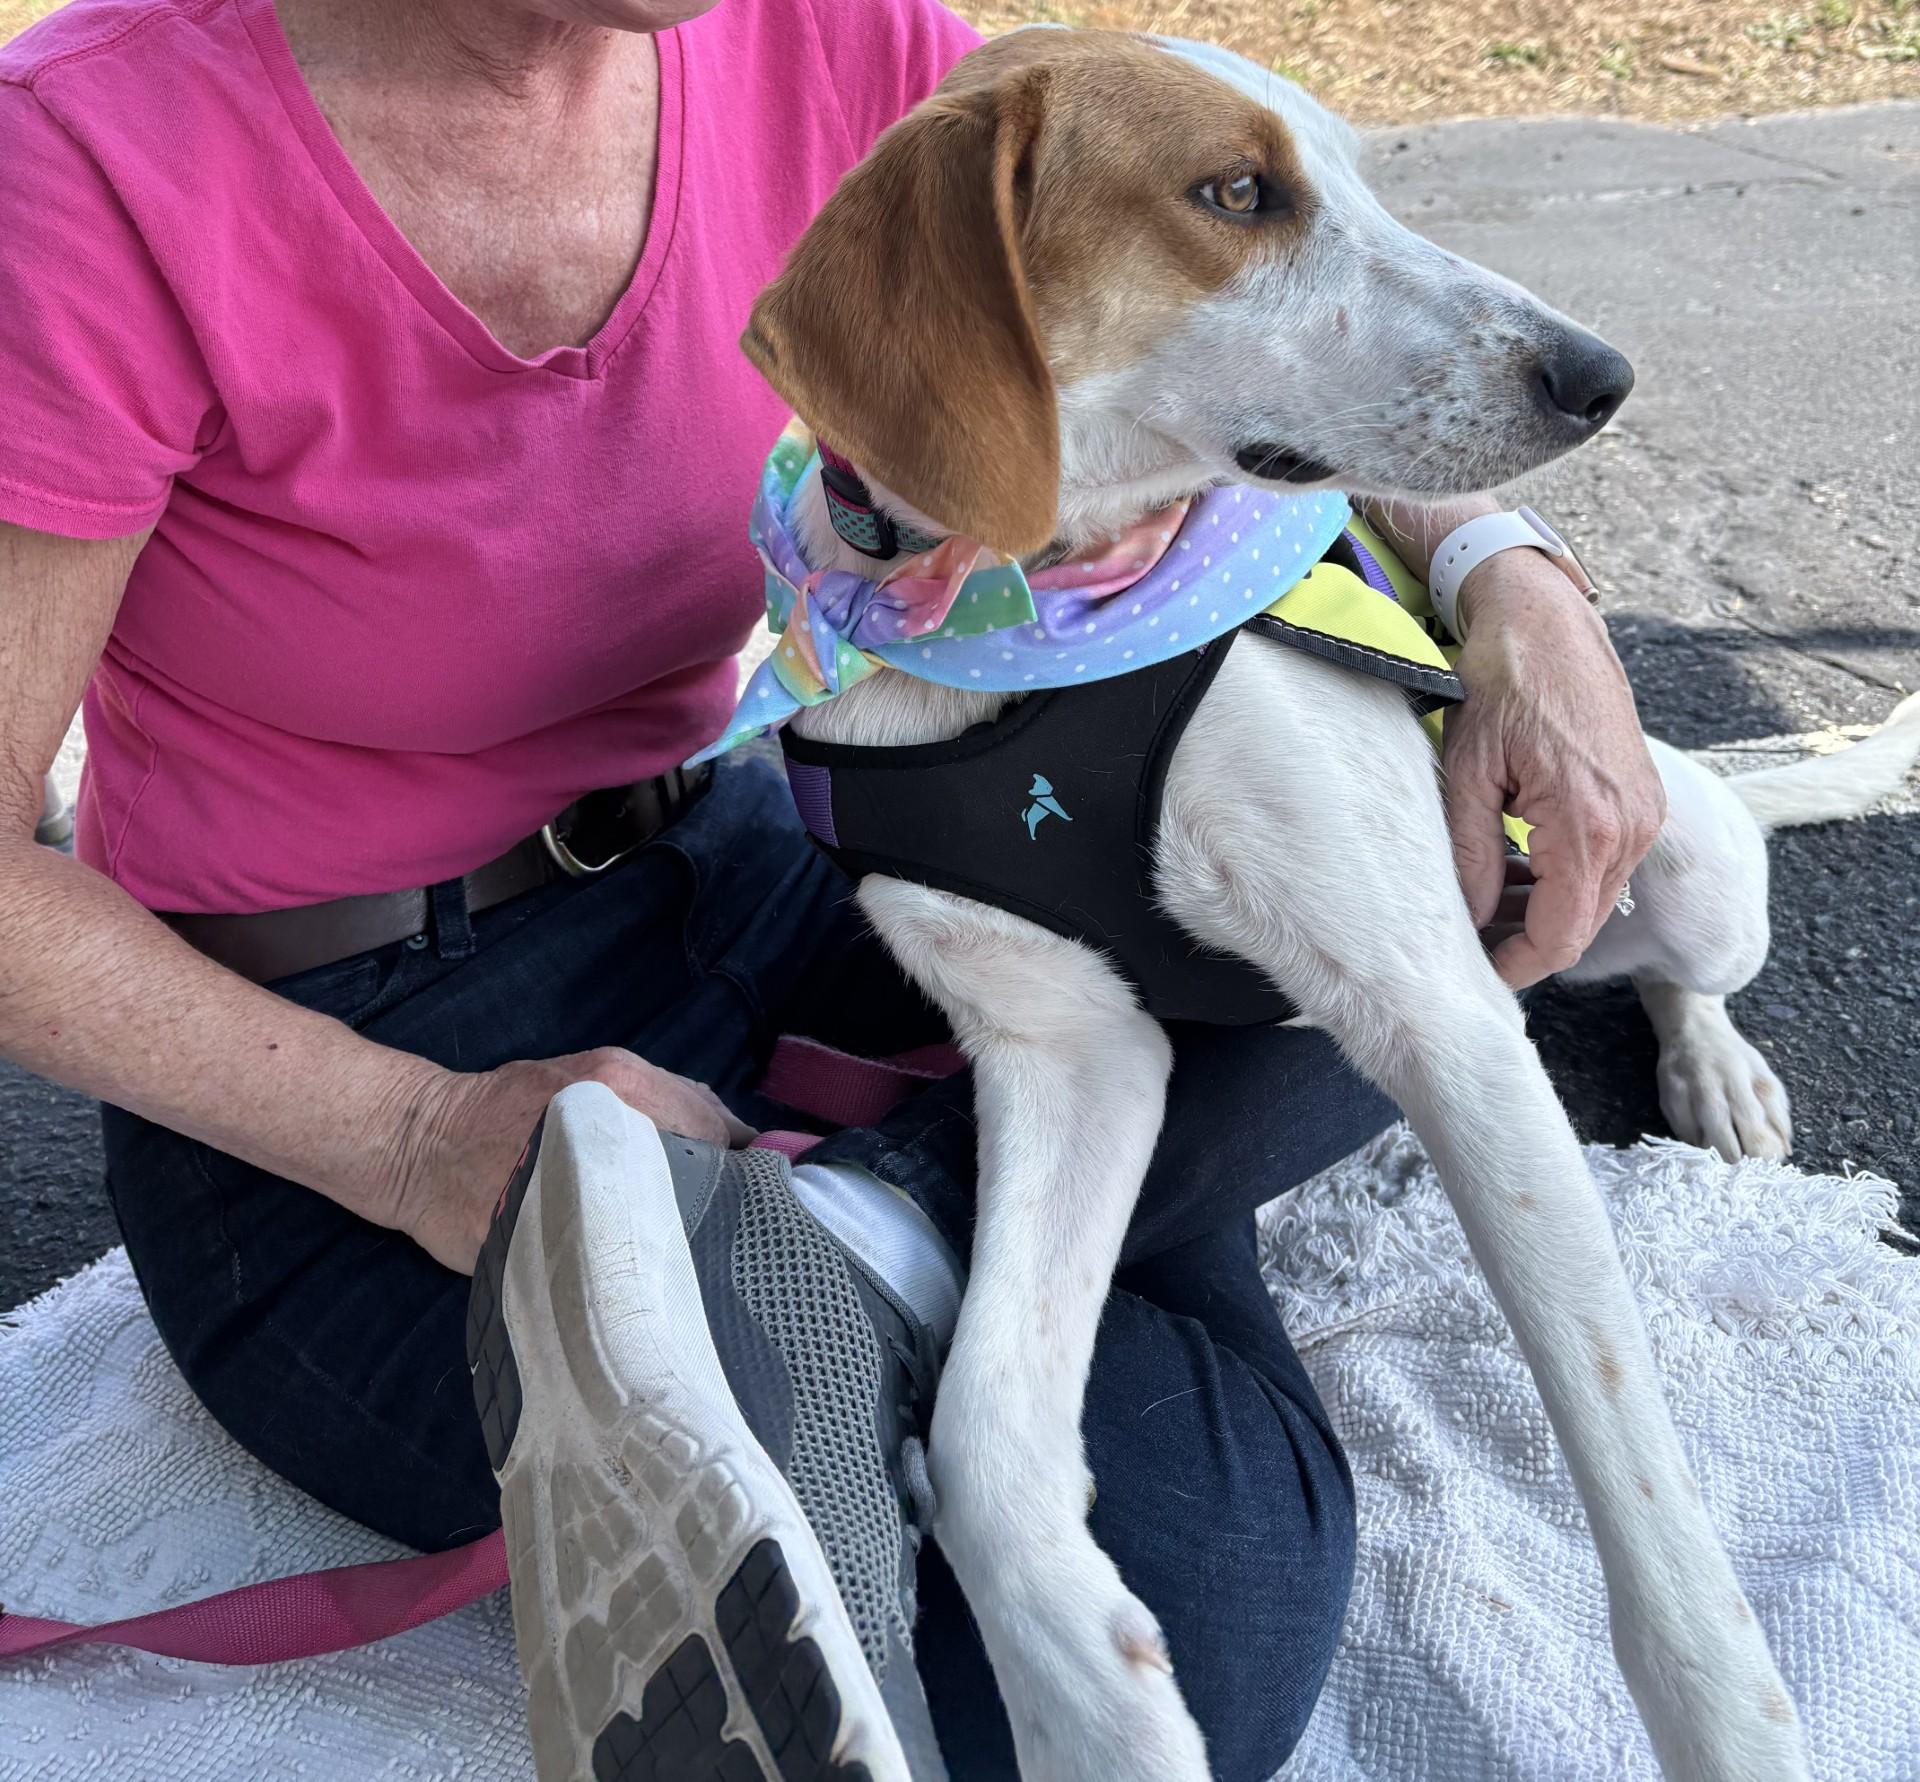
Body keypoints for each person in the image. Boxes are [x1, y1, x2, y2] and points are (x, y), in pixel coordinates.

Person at [0, 0, 1665, 1775]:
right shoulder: (85, 159)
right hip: (354, 1052)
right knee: (1172, 1620)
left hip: (765, 859)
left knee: (1415, 915)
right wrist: (410, 1138)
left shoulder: (822, 43)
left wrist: (1517, 585)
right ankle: (980, 1226)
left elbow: (1219, 326)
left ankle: (880, 1224)